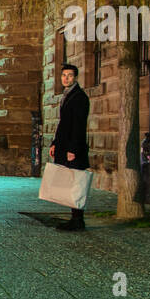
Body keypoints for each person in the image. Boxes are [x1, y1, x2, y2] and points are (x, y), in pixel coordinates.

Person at [50, 63, 90, 231]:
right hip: (65, 145)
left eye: (70, 75)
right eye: (64, 75)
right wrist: (54, 143)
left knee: (76, 183)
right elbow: (63, 124)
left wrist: (72, 149)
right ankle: (75, 218)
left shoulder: (79, 97)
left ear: (75, 77)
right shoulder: (67, 95)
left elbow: (78, 125)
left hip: (74, 148)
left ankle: (78, 219)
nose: (66, 78)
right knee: (69, 182)